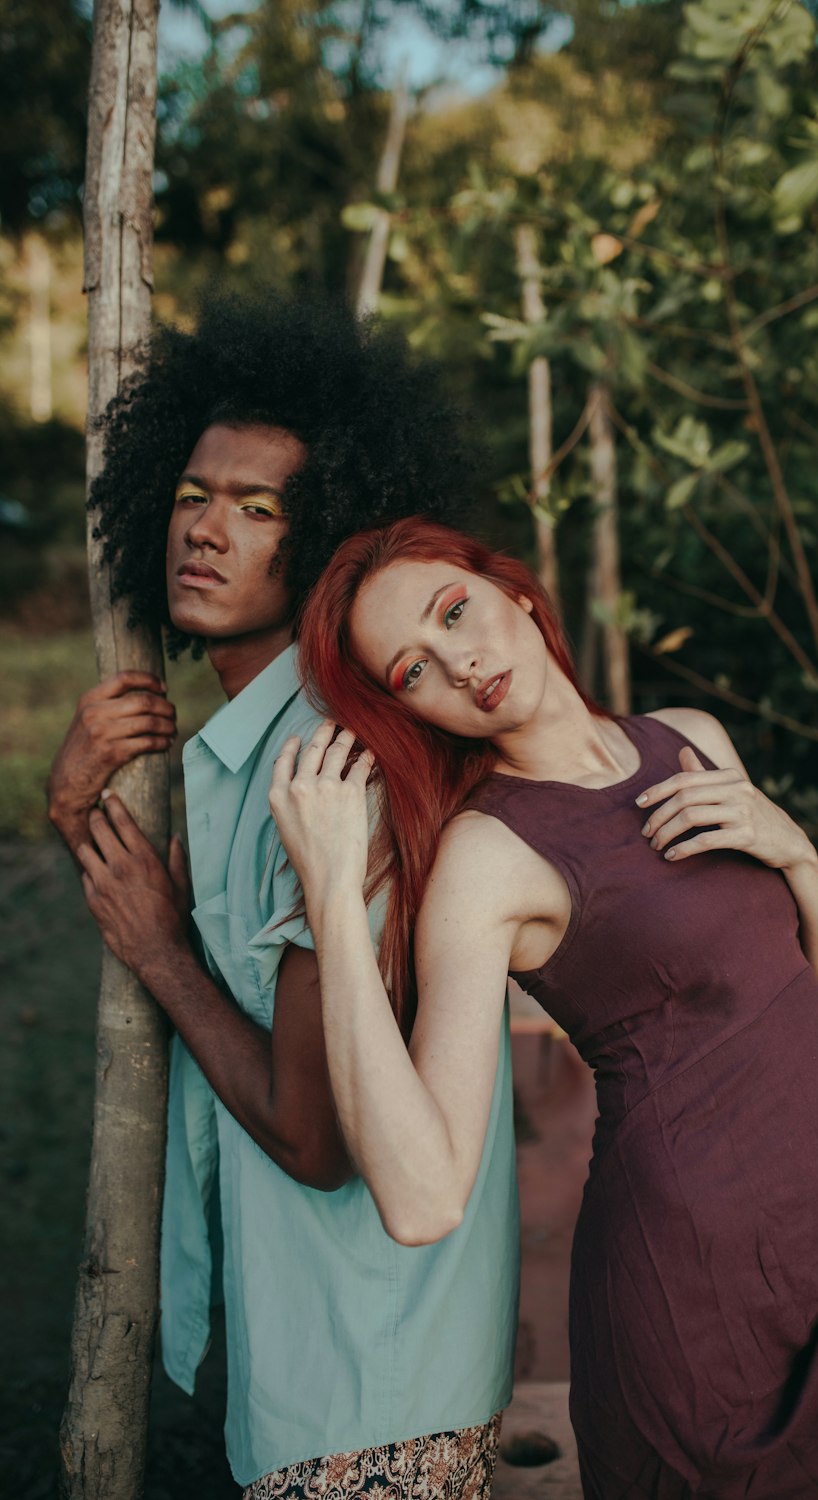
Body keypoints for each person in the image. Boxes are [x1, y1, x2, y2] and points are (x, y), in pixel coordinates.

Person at [267, 515, 818, 1500]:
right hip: (702, 1327)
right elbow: (422, 1197)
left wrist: (794, 850)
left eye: (456, 612)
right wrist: (331, 900)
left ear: (515, 592)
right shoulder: (486, 861)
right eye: (413, 671)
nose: (459, 660)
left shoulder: (689, 740)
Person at [47, 303, 519, 1499]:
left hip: (372, 1389)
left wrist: (162, 957)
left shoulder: (329, 766)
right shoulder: (248, 750)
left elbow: (317, 1138)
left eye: (261, 512)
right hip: (322, 1362)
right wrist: (75, 813)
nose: (206, 532)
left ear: (324, 544)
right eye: (194, 494)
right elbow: (170, 918)